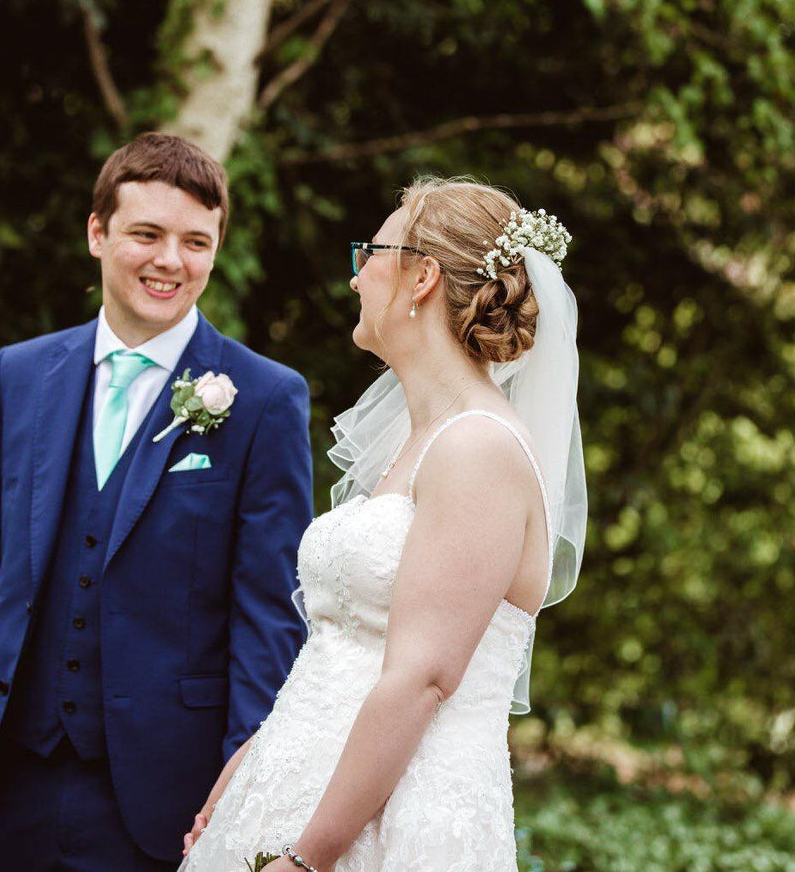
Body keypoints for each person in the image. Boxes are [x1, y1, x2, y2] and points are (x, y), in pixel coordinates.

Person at [0, 133, 313, 871]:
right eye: (147, 234)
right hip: (5, 790)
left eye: (196, 241)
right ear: (97, 233)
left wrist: (242, 794)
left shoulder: (262, 398)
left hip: (167, 804)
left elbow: (268, 619)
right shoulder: (21, 374)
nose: (170, 261)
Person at [178, 176, 586, 872]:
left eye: (372, 251)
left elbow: (422, 675)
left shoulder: (478, 448)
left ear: (422, 275)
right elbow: (339, 647)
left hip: (390, 823)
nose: (355, 275)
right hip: (300, 787)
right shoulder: (413, 442)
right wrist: (249, 763)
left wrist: (307, 857)